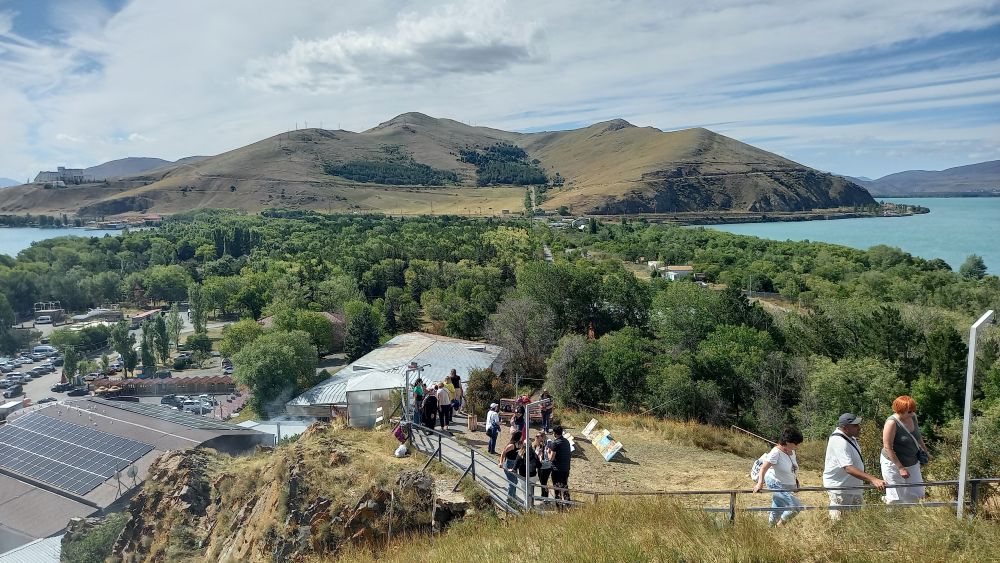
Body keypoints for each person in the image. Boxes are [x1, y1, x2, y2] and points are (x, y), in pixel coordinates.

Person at [823, 413, 886, 520]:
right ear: (845, 428)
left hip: (852, 487)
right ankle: (835, 536)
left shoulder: (850, 438)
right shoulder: (839, 441)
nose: (859, 428)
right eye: (855, 425)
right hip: (841, 488)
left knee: (855, 520)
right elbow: (848, 467)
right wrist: (873, 479)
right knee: (840, 520)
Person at [881, 395, 929, 505]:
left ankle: (911, 517)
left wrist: (926, 452)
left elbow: (918, 436)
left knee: (917, 493)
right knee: (896, 496)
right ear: (900, 411)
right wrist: (901, 468)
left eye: (913, 410)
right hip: (893, 464)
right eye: (909, 411)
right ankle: (892, 518)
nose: (912, 413)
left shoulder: (913, 417)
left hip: (912, 460)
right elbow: (888, 446)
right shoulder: (891, 423)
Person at [752, 427, 804, 527]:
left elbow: (792, 469)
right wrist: (759, 484)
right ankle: (779, 526)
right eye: (796, 443)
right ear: (788, 442)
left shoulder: (791, 452)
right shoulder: (776, 452)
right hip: (775, 483)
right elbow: (763, 468)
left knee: (777, 508)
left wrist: (795, 482)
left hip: (786, 484)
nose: (797, 446)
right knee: (796, 507)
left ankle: (770, 530)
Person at [549, 425, 572, 503]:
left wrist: (548, 452)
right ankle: (567, 502)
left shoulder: (555, 443)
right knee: (565, 485)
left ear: (555, 433)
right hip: (566, 468)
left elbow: (551, 458)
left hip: (557, 469)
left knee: (557, 487)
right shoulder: (567, 441)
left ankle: (559, 505)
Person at [499, 431, 523, 501]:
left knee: (515, 481)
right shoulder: (511, 445)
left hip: (515, 464)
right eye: (521, 436)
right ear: (518, 437)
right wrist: (501, 462)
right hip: (509, 464)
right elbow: (503, 453)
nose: (522, 437)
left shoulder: (519, 444)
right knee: (512, 482)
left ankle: (513, 496)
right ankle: (509, 499)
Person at [533, 431, 553, 499]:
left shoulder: (548, 442)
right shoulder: (541, 443)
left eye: (538, 436)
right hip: (540, 465)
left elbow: (550, 453)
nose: (536, 438)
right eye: (536, 436)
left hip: (546, 465)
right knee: (542, 482)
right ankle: (543, 496)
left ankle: (545, 497)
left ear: (542, 436)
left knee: (544, 482)